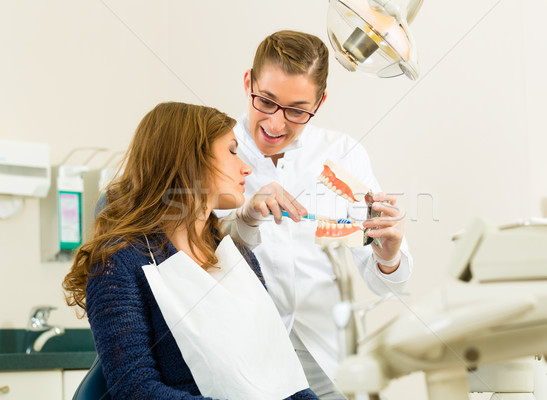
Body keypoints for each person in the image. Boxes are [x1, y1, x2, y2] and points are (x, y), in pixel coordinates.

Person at [63, 102, 319, 400]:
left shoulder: (238, 256)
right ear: (191, 160)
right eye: (233, 151)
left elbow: (282, 380)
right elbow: (136, 390)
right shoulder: (120, 261)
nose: (246, 167)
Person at [219, 31, 414, 399]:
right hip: (241, 356)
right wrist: (244, 216)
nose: (276, 125)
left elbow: (386, 283)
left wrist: (388, 258)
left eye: (296, 110)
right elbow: (184, 252)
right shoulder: (214, 148)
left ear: (320, 102)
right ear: (249, 83)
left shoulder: (343, 153)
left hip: (324, 356)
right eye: (266, 102)